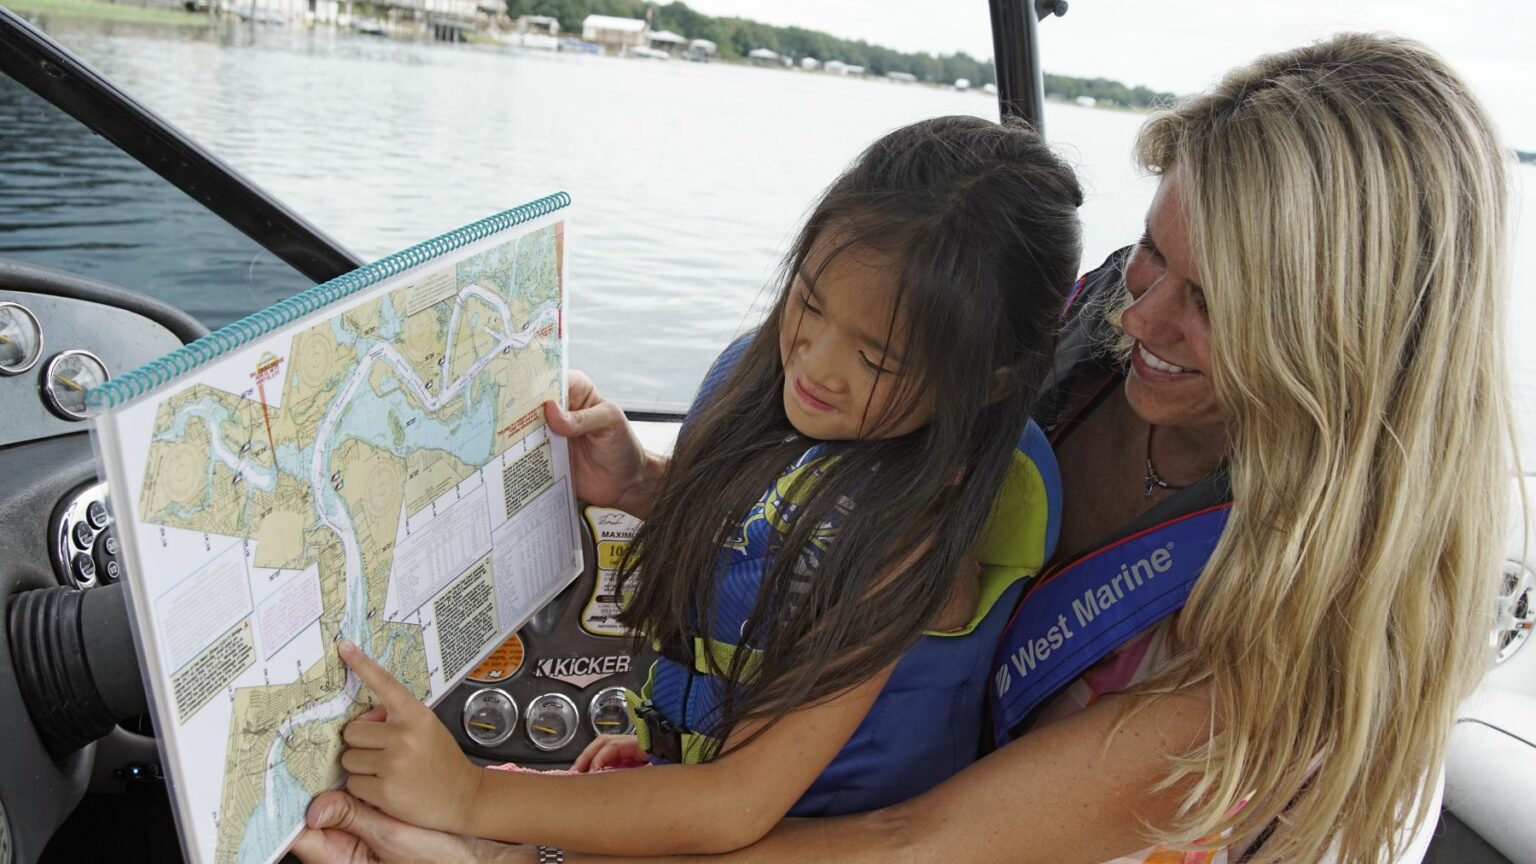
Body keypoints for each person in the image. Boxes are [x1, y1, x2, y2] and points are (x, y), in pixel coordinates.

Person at [293, 31, 1513, 864]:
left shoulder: (1284, 647)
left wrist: (516, 834)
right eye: (1151, 252)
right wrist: (657, 489)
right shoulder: (1089, 329)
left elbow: (911, 847)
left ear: (1335, 347)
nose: (1134, 315)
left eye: (1208, 305)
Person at [322, 114, 1086, 856]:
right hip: (675, 778)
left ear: (988, 382)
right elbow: (760, 535)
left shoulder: (910, 534)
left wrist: (471, 796)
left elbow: (735, 805)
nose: (816, 364)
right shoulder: (771, 386)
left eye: (877, 360)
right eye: (809, 302)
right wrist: (638, 482)